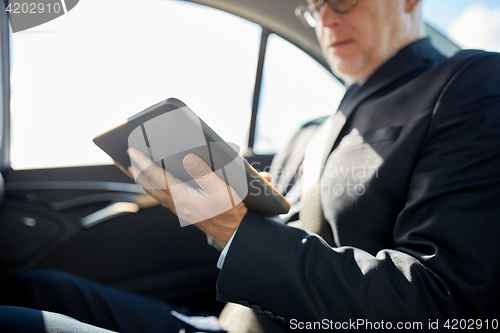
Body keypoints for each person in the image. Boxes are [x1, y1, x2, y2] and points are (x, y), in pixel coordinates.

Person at [2, 0, 500, 332]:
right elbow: (279, 239)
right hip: (220, 322)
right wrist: (225, 209)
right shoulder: (310, 130)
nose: (325, 15)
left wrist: (232, 226)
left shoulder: (469, 84)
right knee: (33, 286)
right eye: (312, 5)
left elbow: (443, 306)